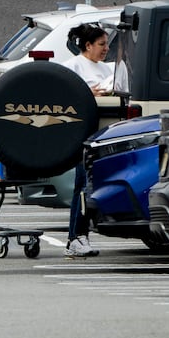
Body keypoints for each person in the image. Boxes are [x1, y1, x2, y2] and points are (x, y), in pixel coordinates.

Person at [57, 24, 115, 258]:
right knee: (83, 186)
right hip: (83, 135)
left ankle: (82, 235)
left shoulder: (106, 69)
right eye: (101, 44)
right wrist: (90, 94)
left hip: (104, 134)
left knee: (90, 186)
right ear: (87, 45)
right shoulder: (72, 68)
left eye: (106, 44)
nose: (105, 49)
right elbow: (64, 98)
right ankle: (75, 237)